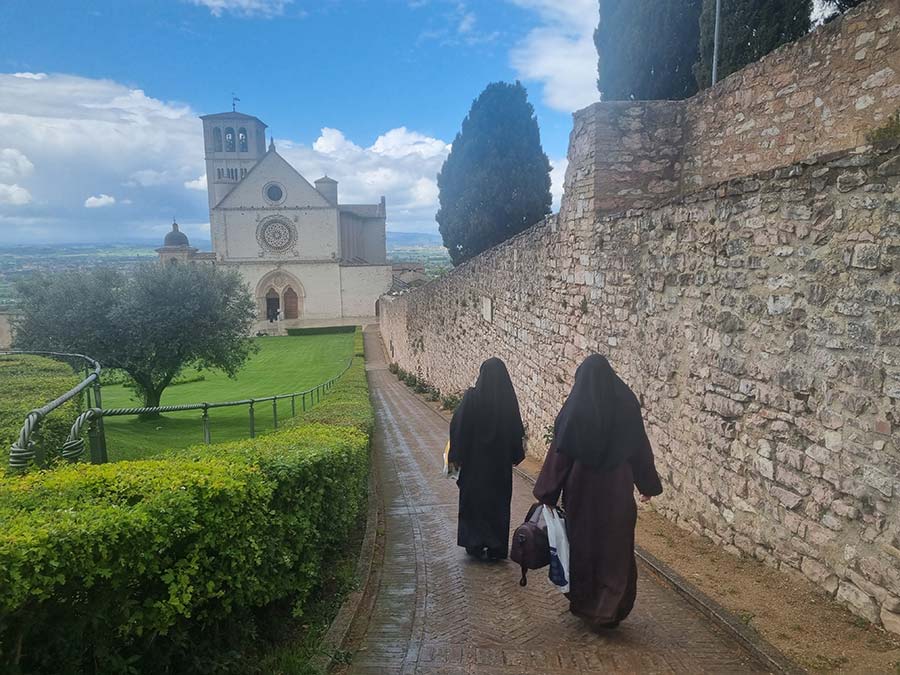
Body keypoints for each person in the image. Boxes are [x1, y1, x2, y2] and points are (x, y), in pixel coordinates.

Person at [534, 354, 663, 630]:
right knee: (615, 550)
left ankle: (586, 604)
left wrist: (547, 493)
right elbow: (640, 448)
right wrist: (647, 485)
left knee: (584, 548)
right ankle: (611, 609)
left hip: (582, 494)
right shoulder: (626, 404)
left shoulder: (576, 408)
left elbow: (560, 454)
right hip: (617, 492)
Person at [449, 358, 525, 560]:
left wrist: (456, 455)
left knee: (473, 504)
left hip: (474, 466)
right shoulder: (508, 401)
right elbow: (516, 431)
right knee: (497, 505)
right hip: (499, 468)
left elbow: (459, 427)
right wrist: (515, 455)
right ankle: (497, 546)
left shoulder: (472, 398)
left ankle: (473, 543)